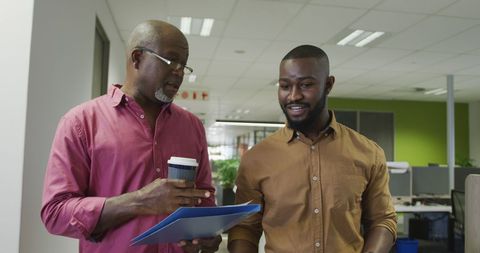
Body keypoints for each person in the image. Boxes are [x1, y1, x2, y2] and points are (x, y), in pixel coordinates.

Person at [41, 20, 221, 253]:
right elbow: (55, 213)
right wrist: (139, 201)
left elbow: (204, 198)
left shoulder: (192, 127)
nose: (179, 72)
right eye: (171, 61)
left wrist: (207, 234)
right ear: (137, 58)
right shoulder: (81, 122)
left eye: (183, 65)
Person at [228, 45, 397, 253]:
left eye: (306, 85)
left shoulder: (368, 153)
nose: (293, 96)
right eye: (285, 86)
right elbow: (244, 229)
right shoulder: (256, 159)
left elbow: (383, 220)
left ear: (328, 84)